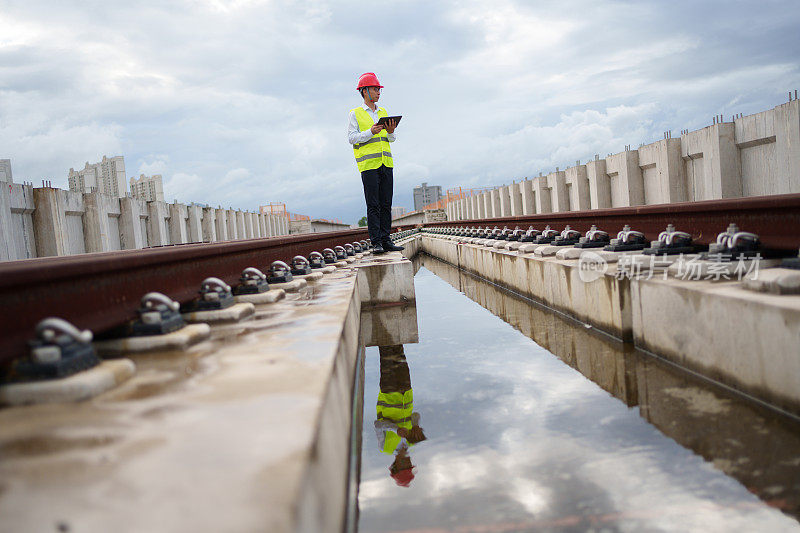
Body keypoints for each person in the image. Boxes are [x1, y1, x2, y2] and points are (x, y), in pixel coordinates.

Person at [347, 72, 405, 254]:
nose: (379, 92)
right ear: (365, 91)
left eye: (379, 89)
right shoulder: (355, 114)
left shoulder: (383, 112)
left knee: (386, 203)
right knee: (373, 205)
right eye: (375, 89)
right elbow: (351, 138)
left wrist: (390, 131)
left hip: (386, 163)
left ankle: (386, 239)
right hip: (369, 166)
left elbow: (391, 139)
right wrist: (370, 132)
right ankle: (376, 242)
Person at [374, 345, 426, 487]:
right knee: (399, 351)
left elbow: (377, 425)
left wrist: (395, 429)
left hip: (389, 392)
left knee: (386, 353)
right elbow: (415, 414)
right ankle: (394, 325)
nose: (409, 463)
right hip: (406, 391)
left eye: (405, 466)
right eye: (410, 465)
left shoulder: (385, 447)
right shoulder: (412, 442)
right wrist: (415, 425)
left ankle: (382, 327)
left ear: (396, 465)